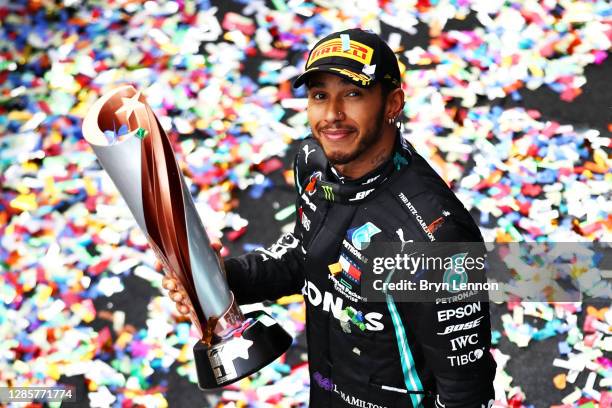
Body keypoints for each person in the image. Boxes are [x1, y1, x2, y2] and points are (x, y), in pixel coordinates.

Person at [163, 28, 496, 407]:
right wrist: (219, 281)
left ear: (392, 104)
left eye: (353, 94)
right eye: (320, 96)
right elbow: (306, 257)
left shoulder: (432, 234)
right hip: (327, 390)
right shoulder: (313, 162)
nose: (333, 115)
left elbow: (466, 390)